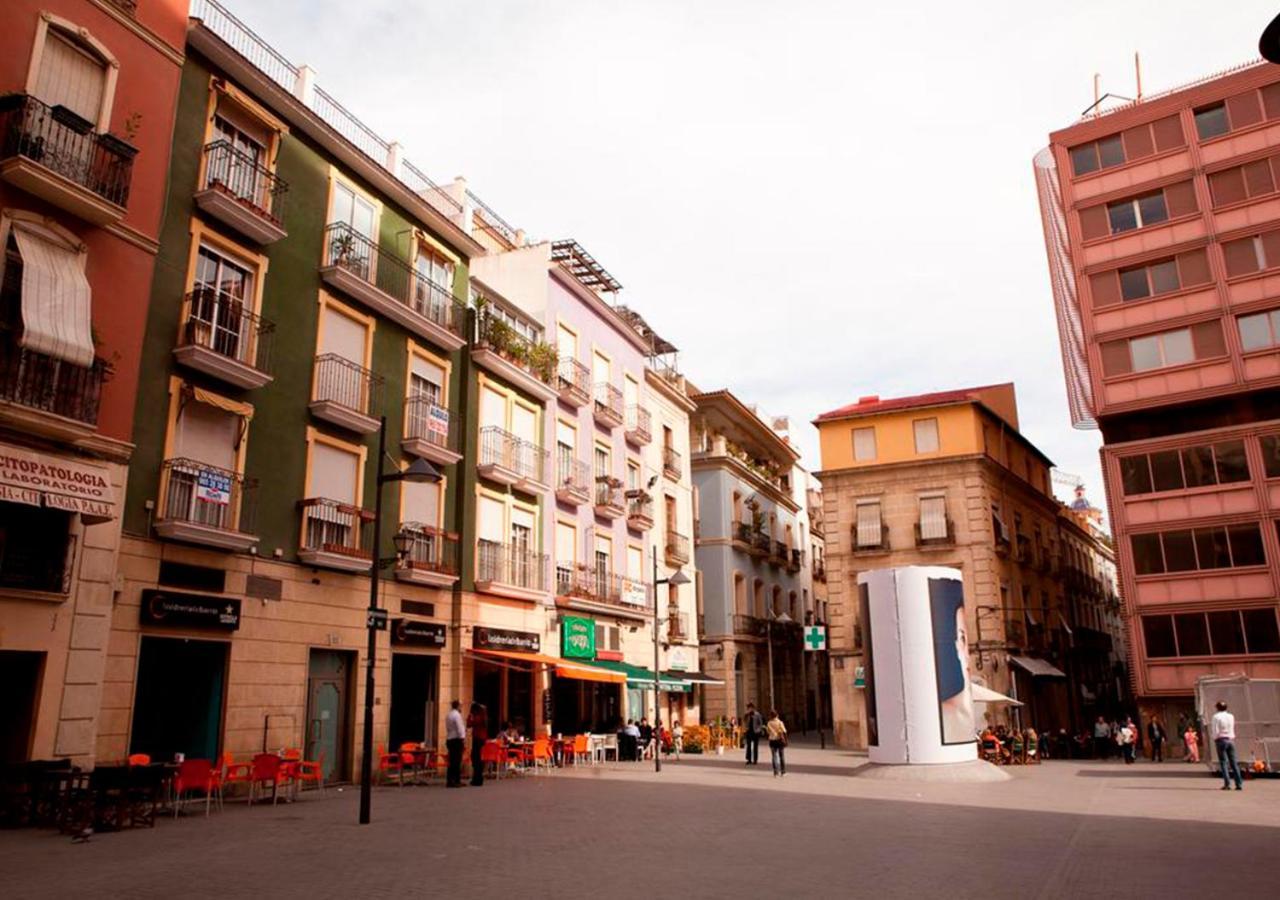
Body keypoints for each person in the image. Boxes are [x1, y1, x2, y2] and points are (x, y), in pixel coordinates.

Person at [930, 582, 975, 743]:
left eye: (965, 638)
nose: (963, 648)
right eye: (960, 637)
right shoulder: (941, 713)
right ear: (955, 645)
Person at [1211, 701, 1243, 790]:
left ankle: (1227, 784)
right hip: (1230, 739)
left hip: (1221, 740)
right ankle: (1239, 783)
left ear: (1217, 708)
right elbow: (1232, 727)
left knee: (1223, 762)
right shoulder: (1231, 716)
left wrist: (1215, 738)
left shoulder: (1216, 717)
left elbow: (1215, 730)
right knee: (1234, 762)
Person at [444, 700, 466, 788]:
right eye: (460, 706)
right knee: (456, 761)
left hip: (450, 738)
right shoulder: (457, 715)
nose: (461, 708)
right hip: (456, 740)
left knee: (452, 761)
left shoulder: (449, 715)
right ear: (458, 706)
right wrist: (462, 738)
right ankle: (456, 780)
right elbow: (460, 728)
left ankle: (450, 780)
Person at [466, 702, 488, 786]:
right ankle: (477, 778)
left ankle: (477, 778)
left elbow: (469, 724)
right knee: (477, 758)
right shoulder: (483, 715)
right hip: (480, 738)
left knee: (476, 758)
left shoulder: (477, 717)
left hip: (478, 738)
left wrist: (470, 716)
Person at [765, 709, 788, 776]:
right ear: (777, 715)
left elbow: (768, 732)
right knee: (781, 756)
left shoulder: (769, 723)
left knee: (774, 756)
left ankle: (775, 772)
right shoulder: (780, 722)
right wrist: (786, 741)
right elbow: (784, 731)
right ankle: (783, 772)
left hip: (772, 741)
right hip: (779, 740)